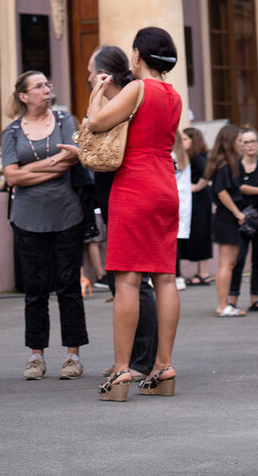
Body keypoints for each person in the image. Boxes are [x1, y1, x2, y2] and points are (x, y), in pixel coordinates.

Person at [87, 25, 182, 400]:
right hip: (165, 185)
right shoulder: (173, 95)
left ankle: (122, 371)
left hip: (135, 185)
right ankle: (164, 366)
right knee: (165, 278)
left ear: (138, 56)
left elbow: (96, 123)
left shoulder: (137, 88)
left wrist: (96, 91)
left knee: (126, 279)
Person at [1, 71, 88, 380]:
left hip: (67, 215)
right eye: (39, 86)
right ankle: (36, 356)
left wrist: (31, 169)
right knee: (35, 290)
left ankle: (72, 356)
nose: (47, 90)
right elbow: (11, 177)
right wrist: (52, 165)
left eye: (48, 85)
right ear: (24, 96)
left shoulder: (65, 120)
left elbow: (72, 159)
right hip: (26, 218)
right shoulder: (12, 131)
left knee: (68, 287)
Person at [87, 45, 159, 383]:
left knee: (134, 279)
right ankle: (131, 357)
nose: (89, 78)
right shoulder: (122, 101)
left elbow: (93, 125)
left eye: (93, 72)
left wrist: (96, 94)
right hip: (114, 193)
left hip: (127, 193)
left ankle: (142, 360)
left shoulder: (126, 101)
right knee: (126, 281)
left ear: (106, 75)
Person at [228, 126, 258, 312]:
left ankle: (254, 299)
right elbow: (239, 188)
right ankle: (232, 299)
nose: (250, 145)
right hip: (241, 216)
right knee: (238, 259)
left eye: (253, 141)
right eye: (246, 142)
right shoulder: (236, 166)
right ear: (241, 145)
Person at [206, 124, 247, 317]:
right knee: (226, 263)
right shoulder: (224, 164)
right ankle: (223, 305)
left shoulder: (225, 163)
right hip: (226, 217)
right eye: (239, 141)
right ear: (230, 142)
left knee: (228, 263)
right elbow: (221, 191)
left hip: (226, 216)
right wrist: (237, 213)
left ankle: (225, 304)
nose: (242, 144)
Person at [181, 127, 213, 285]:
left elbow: (207, 173)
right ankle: (202, 272)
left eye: (186, 139)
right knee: (197, 235)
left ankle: (204, 272)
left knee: (200, 234)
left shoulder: (198, 157)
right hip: (197, 201)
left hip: (199, 202)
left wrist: (196, 187)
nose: (182, 142)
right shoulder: (192, 156)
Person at [173, 131, 192, 291]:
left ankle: (175, 274)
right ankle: (178, 275)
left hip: (172, 200)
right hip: (183, 202)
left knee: (169, 241)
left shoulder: (170, 156)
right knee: (176, 240)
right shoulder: (183, 157)